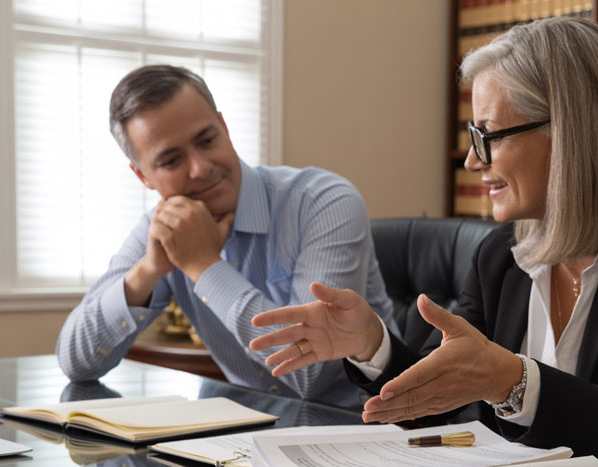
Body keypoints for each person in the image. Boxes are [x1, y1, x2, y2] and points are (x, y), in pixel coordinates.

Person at [250, 17, 598, 467]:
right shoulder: (501, 253)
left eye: (489, 136)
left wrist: (510, 379)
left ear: (571, 133)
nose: (475, 163)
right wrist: (371, 345)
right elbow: (439, 405)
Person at [56, 65, 395, 409]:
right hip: (248, 439)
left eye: (207, 140)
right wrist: (147, 271)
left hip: (362, 431)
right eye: (172, 160)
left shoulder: (324, 201)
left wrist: (202, 266)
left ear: (225, 126)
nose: (201, 168)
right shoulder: (163, 230)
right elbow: (75, 363)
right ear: (143, 176)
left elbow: (308, 374)